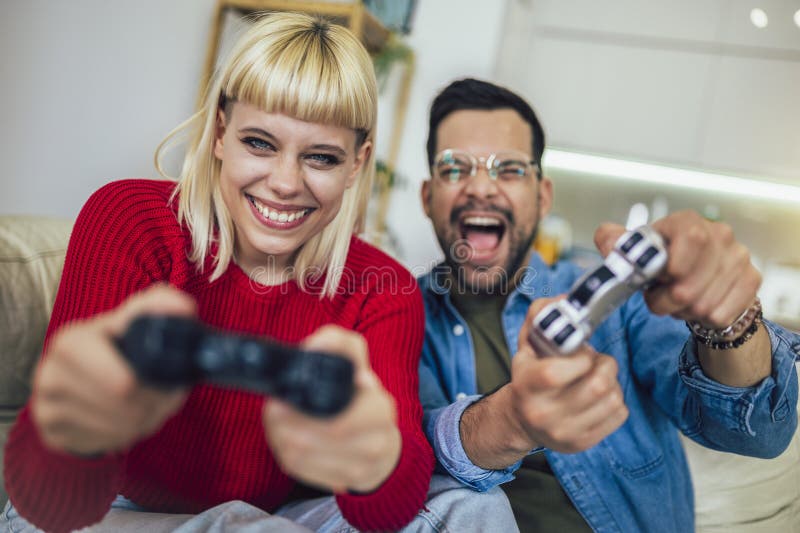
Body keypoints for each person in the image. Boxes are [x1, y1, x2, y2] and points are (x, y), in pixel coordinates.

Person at [0, 13, 508, 533]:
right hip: (102, 511)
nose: (285, 184)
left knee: (475, 509)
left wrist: (372, 462)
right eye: (260, 143)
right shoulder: (131, 220)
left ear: (357, 164)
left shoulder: (382, 288)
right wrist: (85, 428)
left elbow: (385, 512)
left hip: (268, 516)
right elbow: (50, 503)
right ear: (221, 132)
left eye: (322, 157)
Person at [417, 78, 799, 532]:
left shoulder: (624, 306)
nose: (480, 188)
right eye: (455, 168)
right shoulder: (392, 314)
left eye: (510, 169)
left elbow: (758, 430)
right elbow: (402, 461)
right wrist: (511, 419)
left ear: (542, 198)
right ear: (428, 197)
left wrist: (731, 321)